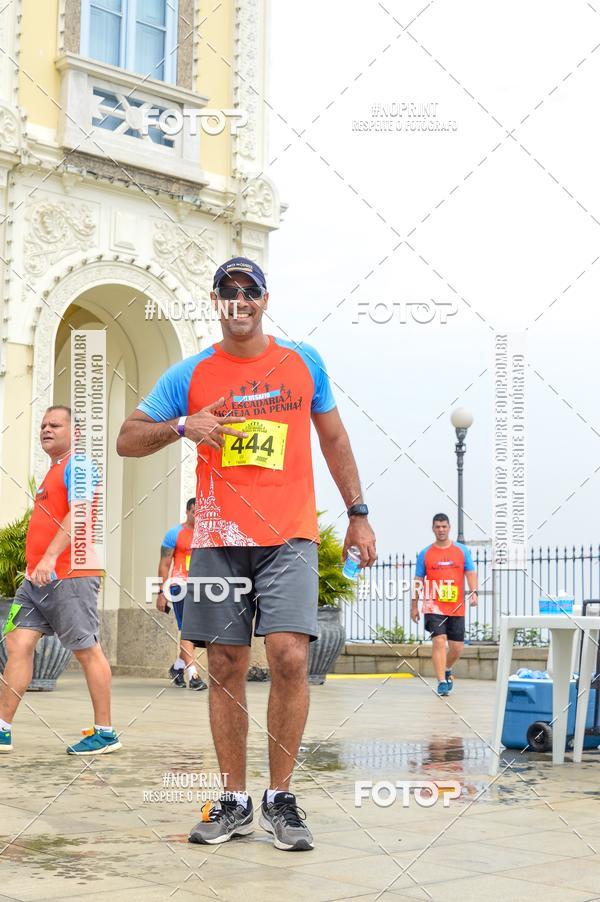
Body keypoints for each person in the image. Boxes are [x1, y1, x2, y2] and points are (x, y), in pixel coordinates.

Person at [117, 256, 376, 851]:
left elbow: (333, 438)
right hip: (217, 540)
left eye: (249, 291)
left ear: (264, 299)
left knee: (288, 657)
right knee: (227, 666)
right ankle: (233, 799)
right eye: (227, 292)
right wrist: (184, 425)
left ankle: (280, 798)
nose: (239, 301)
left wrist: (358, 513)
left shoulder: (302, 362)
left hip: (289, 537)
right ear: (216, 301)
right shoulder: (190, 374)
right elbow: (128, 438)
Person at [0, 406, 120, 755]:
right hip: (36, 581)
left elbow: (80, 512)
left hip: (70, 575)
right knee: (17, 643)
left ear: (75, 432)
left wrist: (51, 558)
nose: (46, 430)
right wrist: (37, 563)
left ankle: (106, 732)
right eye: (42, 425)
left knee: (86, 651)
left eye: (55, 424)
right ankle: (2, 729)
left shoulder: (78, 465)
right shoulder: (54, 470)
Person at [411, 513, 478, 697]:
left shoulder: (461, 551)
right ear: (433, 528)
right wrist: (414, 605)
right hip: (433, 605)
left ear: (449, 528)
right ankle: (441, 681)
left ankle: (447, 667)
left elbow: (470, 573)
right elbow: (418, 579)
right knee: (439, 641)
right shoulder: (426, 553)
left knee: (457, 648)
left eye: (444, 526)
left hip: (456, 606)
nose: (441, 530)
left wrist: (474, 593)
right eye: (437, 527)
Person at [157, 498, 207, 690]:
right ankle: (193, 675)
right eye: (195, 511)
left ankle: (177, 667)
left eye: (201, 512)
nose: (198, 516)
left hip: (203, 587)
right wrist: (161, 592)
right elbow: (164, 564)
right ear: (187, 512)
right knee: (188, 629)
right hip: (179, 586)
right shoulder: (174, 534)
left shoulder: (207, 535)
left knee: (198, 634)